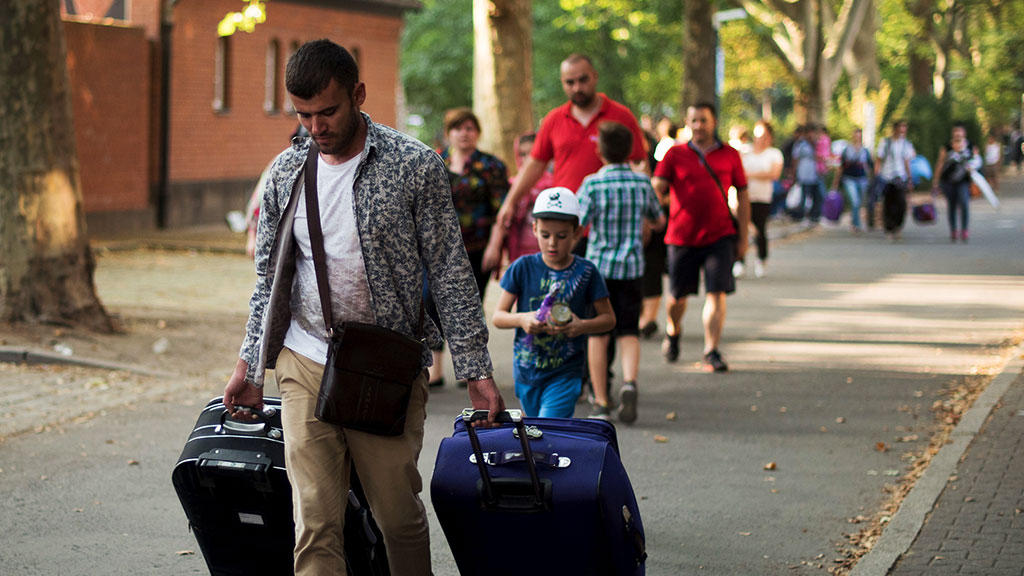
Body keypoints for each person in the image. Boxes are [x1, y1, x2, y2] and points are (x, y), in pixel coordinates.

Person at [221, 39, 504, 576]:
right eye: (303, 115)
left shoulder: (414, 166)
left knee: (396, 516)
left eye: (327, 111)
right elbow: (269, 281)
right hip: (304, 360)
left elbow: (449, 271)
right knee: (315, 521)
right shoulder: (286, 171)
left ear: (358, 94)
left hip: (385, 366)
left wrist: (475, 369)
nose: (316, 126)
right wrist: (249, 363)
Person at [486, 53, 647, 265]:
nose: (577, 88)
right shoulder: (554, 119)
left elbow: (640, 165)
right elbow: (534, 164)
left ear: (594, 77)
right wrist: (510, 202)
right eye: (570, 82)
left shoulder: (621, 115)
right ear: (563, 83)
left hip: (610, 227)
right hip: (566, 224)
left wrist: (643, 216)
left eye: (583, 80)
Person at [492, 187, 615, 418]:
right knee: (534, 433)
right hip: (526, 370)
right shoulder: (522, 267)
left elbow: (608, 319)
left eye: (561, 236)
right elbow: (498, 316)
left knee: (548, 426)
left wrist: (581, 326)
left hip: (566, 371)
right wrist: (523, 319)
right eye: (545, 235)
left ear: (576, 233)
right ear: (534, 229)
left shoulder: (587, 271)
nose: (552, 244)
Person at [577, 121, 665, 422]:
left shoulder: (592, 183)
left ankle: (601, 401)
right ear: (630, 150)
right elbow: (658, 219)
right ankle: (629, 382)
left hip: (599, 269)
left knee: (598, 334)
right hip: (632, 269)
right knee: (628, 330)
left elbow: (578, 223)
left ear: (600, 150)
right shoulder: (642, 183)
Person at [652, 102, 750, 372]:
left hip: (719, 235)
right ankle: (673, 330)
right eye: (694, 120)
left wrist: (743, 236)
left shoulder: (730, 155)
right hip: (681, 236)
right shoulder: (674, 154)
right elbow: (657, 187)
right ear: (687, 123)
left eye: (703, 120)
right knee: (676, 298)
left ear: (714, 122)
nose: (699, 126)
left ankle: (712, 349)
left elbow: (742, 195)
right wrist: (655, 211)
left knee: (716, 293)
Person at [426, 107, 509, 388]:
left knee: (470, 306)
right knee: (430, 302)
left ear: (477, 133)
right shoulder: (434, 162)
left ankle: (472, 369)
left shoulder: (491, 166)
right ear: (449, 133)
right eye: (458, 128)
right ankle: (434, 370)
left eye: (470, 128)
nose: (464, 133)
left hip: (477, 247)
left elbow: (502, 211)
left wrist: (496, 247)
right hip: (438, 250)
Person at [496, 132, 553, 269]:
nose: (527, 159)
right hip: (518, 254)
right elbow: (501, 223)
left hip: (548, 253)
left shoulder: (553, 184)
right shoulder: (511, 186)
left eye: (532, 153)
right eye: (522, 154)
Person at [740, 119, 784, 278]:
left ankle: (761, 259)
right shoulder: (745, 151)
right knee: (742, 228)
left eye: (764, 135)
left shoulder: (774, 154)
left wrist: (750, 175)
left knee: (760, 229)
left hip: (763, 197)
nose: (760, 139)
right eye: (758, 135)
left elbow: (774, 174)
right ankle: (739, 261)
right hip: (745, 196)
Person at [933, 123, 981, 243]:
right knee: (952, 205)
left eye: (960, 131)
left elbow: (978, 160)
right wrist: (936, 181)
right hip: (947, 181)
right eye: (955, 131)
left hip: (963, 181)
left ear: (964, 133)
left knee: (964, 203)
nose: (958, 134)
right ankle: (954, 230)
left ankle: (964, 229)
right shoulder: (947, 147)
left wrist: (972, 167)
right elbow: (940, 163)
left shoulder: (970, 145)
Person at [873, 120, 916, 239]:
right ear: (895, 129)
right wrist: (877, 175)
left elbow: (907, 162)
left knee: (901, 203)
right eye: (901, 128)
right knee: (888, 203)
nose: (903, 131)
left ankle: (898, 225)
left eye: (904, 128)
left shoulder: (906, 144)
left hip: (901, 177)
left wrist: (910, 178)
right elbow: (878, 159)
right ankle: (889, 227)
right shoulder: (885, 142)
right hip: (886, 177)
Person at [831, 127, 873, 233]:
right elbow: (841, 167)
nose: (857, 137)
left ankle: (855, 221)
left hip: (862, 179)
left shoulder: (865, 151)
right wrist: (835, 183)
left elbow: (870, 166)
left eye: (859, 135)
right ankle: (856, 224)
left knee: (859, 202)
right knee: (855, 201)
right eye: (856, 134)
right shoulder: (847, 150)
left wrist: (872, 179)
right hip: (849, 178)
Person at [790, 124, 823, 225]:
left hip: (815, 175)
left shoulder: (817, 144)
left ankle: (814, 216)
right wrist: (794, 173)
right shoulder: (800, 144)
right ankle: (802, 216)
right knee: (804, 197)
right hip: (804, 174)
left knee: (818, 196)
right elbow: (795, 159)